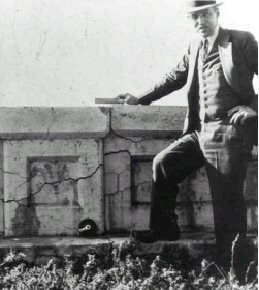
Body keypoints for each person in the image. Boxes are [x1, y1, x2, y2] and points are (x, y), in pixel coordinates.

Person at [116, 0, 257, 278]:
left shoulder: (241, 41)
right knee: (163, 164)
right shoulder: (195, 47)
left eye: (205, 14)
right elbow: (175, 77)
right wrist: (139, 98)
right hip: (199, 131)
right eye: (194, 17)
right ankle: (164, 232)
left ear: (217, 13)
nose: (200, 22)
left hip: (229, 133)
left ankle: (236, 269)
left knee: (227, 202)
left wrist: (255, 106)